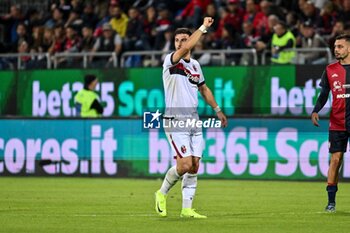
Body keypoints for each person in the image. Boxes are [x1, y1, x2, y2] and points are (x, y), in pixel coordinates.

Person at [154, 17, 227, 218]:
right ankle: (161, 193)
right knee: (184, 165)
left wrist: (217, 109)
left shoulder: (195, 66)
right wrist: (203, 27)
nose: (180, 44)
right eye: (177, 40)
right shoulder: (171, 61)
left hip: (194, 120)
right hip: (175, 119)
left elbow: (203, 88)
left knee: (194, 165)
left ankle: (187, 208)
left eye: (184, 40)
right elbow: (185, 48)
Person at [311, 33, 350, 212]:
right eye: (335, 47)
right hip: (337, 122)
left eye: (340, 46)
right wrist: (315, 110)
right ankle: (331, 202)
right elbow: (324, 94)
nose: (336, 50)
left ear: (349, 48)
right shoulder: (330, 69)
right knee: (335, 160)